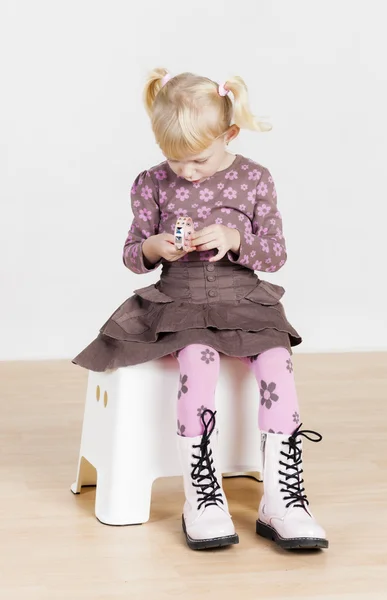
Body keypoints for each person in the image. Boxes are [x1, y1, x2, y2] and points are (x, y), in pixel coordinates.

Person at [74, 68, 328, 551]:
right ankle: (202, 495)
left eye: (198, 160)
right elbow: (131, 255)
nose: (186, 171)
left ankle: (283, 498)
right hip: (182, 300)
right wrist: (153, 247)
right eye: (175, 160)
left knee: (278, 361)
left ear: (229, 135)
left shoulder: (255, 178)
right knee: (198, 361)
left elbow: (275, 253)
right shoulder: (152, 182)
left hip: (244, 299)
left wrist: (236, 240)